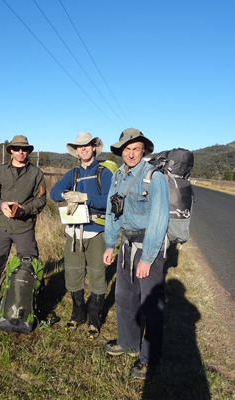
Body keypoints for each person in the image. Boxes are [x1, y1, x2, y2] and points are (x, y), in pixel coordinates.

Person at [103, 128, 169, 379]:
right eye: (126, 149)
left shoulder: (155, 177)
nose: (130, 154)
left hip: (148, 245)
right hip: (126, 244)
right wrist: (110, 244)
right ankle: (128, 342)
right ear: (121, 152)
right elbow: (113, 212)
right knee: (124, 297)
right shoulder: (118, 175)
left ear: (143, 151)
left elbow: (159, 219)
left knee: (150, 304)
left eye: (135, 149)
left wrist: (148, 258)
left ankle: (149, 358)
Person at [0, 135, 46, 315]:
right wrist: (1, 205)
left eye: (24, 149)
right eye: (17, 148)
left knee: (28, 266)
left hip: (24, 227)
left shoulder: (36, 173)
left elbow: (41, 200)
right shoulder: (0, 171)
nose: (21, 152)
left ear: (28, 151)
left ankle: (28, 304)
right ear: (11, 151)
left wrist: (25, 210)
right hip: (1, 226)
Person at [50, 132, 112, 339]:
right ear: (76, 150)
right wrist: (67, 194)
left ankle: (94, 318)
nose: (83, 149)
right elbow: (53, 193)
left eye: (87, 145)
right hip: (73, 232)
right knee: (74, 274)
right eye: (79, 146)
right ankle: (77, 314)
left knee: (97, 274)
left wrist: (85, 197)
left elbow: (109, 201)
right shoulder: (72, 173)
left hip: (96, 231)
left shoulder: (104, 172)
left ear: (94, 147)